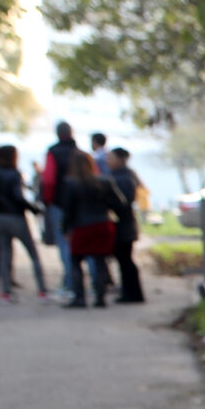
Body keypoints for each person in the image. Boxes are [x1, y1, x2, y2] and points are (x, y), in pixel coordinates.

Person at [0, 144, 48, 302]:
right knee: (33, 254)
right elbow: (18, 197)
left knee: (4, 254)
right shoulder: (14, 173)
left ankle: (5, 292)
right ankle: (42, 291)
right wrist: (34, 208)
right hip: (15, 216)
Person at [56, 150, 127, 308]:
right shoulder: (103, 181)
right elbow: (120, 203)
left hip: (81, 227)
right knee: (99, 261)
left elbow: (67, 210)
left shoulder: (70, 183)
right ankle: (100, 296)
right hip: (102, 225)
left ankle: (79, 297)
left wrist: (65, 229)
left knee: (76, 261)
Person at [41, 121, 79, 295]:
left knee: (64, 243)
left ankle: (71, 283)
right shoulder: (78, 152)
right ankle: (84, 281)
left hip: (59, 203)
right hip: (79, 203)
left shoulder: (53, 152)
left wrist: (48, 201)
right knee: (78, 242)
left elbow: (48, 181)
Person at [108, 147, 145, 303]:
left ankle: (132, 294)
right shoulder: (123, 175)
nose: (108, 161)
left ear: (120, 159)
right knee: (124, 260)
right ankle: (129, 292)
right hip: (124, 224)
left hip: (123, 225)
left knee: (125, 260)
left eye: (111, 158)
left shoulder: (123, 177)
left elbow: (123, 202)